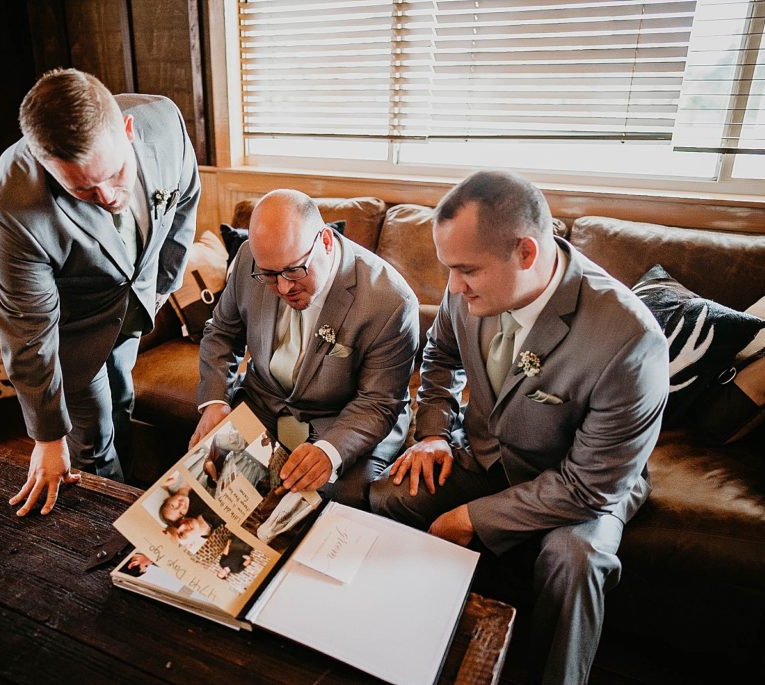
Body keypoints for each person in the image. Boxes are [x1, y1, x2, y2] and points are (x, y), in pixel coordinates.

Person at [369, 171, 669, 685]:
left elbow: (591, 486)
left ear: (527, 253)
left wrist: (471, 517)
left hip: (582, 486)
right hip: (487, 455)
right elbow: (439, 357)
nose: (453, 287)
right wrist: (435, 433)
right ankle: (407, 644)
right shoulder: (464, 291)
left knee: (574, 563)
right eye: (448, 269)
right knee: (393, 493)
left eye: (466, 271)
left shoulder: (630, 340)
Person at [0, 68, 200, 517]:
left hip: (134, 306)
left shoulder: (164, 122)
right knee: (93, 436)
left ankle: (129, 494)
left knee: (122, 401)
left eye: (116, 173)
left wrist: (161, 290)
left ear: (127, 130)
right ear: (47, 168)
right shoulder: (11, 207)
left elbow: (184, 202)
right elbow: (26, 331)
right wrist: (46, 437)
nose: (108, 197)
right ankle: (109, 524)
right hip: (71, 332)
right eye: (82, 189)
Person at [191, 189, 419, 509]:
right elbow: (222, 333)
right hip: (264, 401)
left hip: (342, 417)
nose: (283, 287)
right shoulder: (247, 259)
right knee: (207, 477)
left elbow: (378, 401)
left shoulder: (391, 301)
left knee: (339, 503)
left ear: (325, 242)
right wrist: (215, 401)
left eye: (294, 270)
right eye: (270, 275)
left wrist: (329, 451)